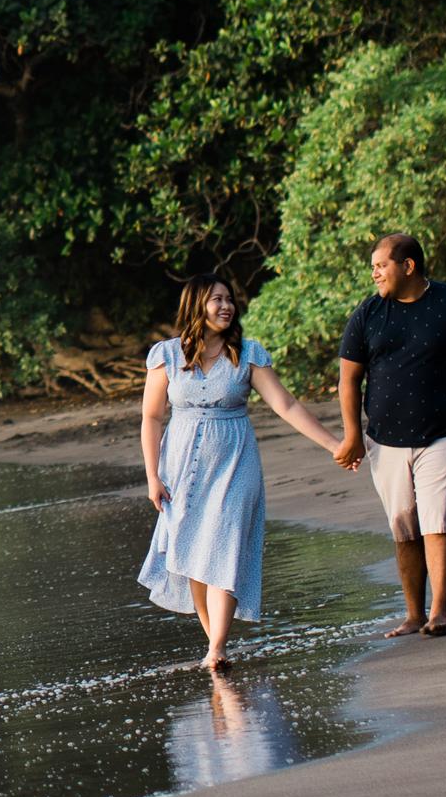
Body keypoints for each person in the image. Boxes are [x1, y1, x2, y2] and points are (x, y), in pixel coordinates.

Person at [138, 275, 343, 670]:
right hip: (181, 469)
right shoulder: (166, 356)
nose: (226, 306)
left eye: (229, 299)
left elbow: (286, 405)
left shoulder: (247, 354)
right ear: (196, 305)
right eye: (217, 299)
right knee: (192, 553)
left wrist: (334, 445)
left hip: (236, 465)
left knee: (225, 547)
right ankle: (214, 642)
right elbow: (151, 417)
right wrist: (152, 476)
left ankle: (217, 646)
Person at [331, 233, 446, 637]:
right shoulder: (368, 314)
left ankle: (440, 613)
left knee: (439, 519)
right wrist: (352, 435)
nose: (375, 273)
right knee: (405, 526)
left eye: (381, 265)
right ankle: (414, 615)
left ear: (408, 266)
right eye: (373, 267)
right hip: (385, 439)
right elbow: (349, 379)